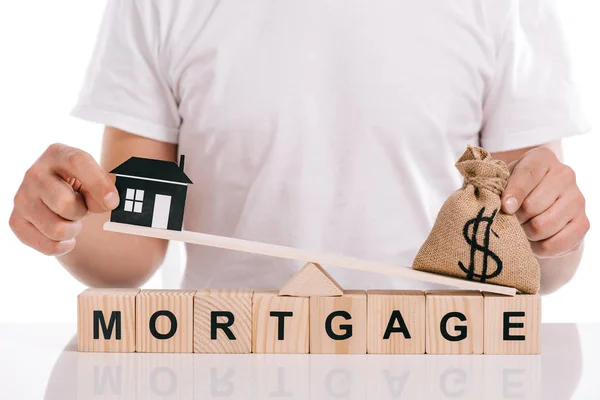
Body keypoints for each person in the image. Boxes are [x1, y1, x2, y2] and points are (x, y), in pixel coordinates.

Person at [9, 0, 590, 294]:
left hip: (441, 364)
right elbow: (133, 246)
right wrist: (68, 221)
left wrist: (554, 230)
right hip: (225, 363)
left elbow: (536, 258)